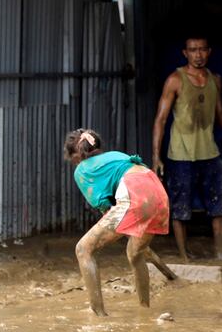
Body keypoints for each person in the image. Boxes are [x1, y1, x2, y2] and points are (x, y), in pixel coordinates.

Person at [152, 36, 222, 262]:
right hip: (180, 155)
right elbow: (160, 120)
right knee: (180, 209)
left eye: (202, 50)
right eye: (193, 50)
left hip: (210, 153)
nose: (198, 54)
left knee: (219, 206)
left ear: (209, 52)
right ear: (185, 53)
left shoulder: (214, 80)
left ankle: (219, 254)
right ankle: (183, 255)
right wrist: (156, 156)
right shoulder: (175, 80)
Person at [65, 129, 171, 316]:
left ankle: (99, 316)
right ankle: (144, 311)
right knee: (135, 253)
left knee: (83, 249)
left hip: (134, 193)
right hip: (158, 193)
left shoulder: (81, 170)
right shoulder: (115, 156)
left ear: (76, 157)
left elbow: (103, 204)